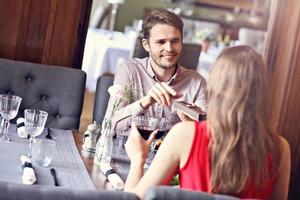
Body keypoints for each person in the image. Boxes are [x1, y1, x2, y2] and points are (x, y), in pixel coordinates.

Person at [124, 46, 291, 200]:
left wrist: (138, 160)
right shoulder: (281, 149)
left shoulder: (185, 135)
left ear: (215, 86)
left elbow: (135, 199)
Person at [103, 8, 207, 131]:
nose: (169, 48)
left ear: (181, 42)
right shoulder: (129, 70)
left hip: (171, 149)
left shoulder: (197, 82)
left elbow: (208, 134)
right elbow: (109, 126)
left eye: (175, 41)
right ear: (146, 45)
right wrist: (145, 102)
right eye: (161, 42)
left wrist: (191, 126)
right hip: (128, 147)